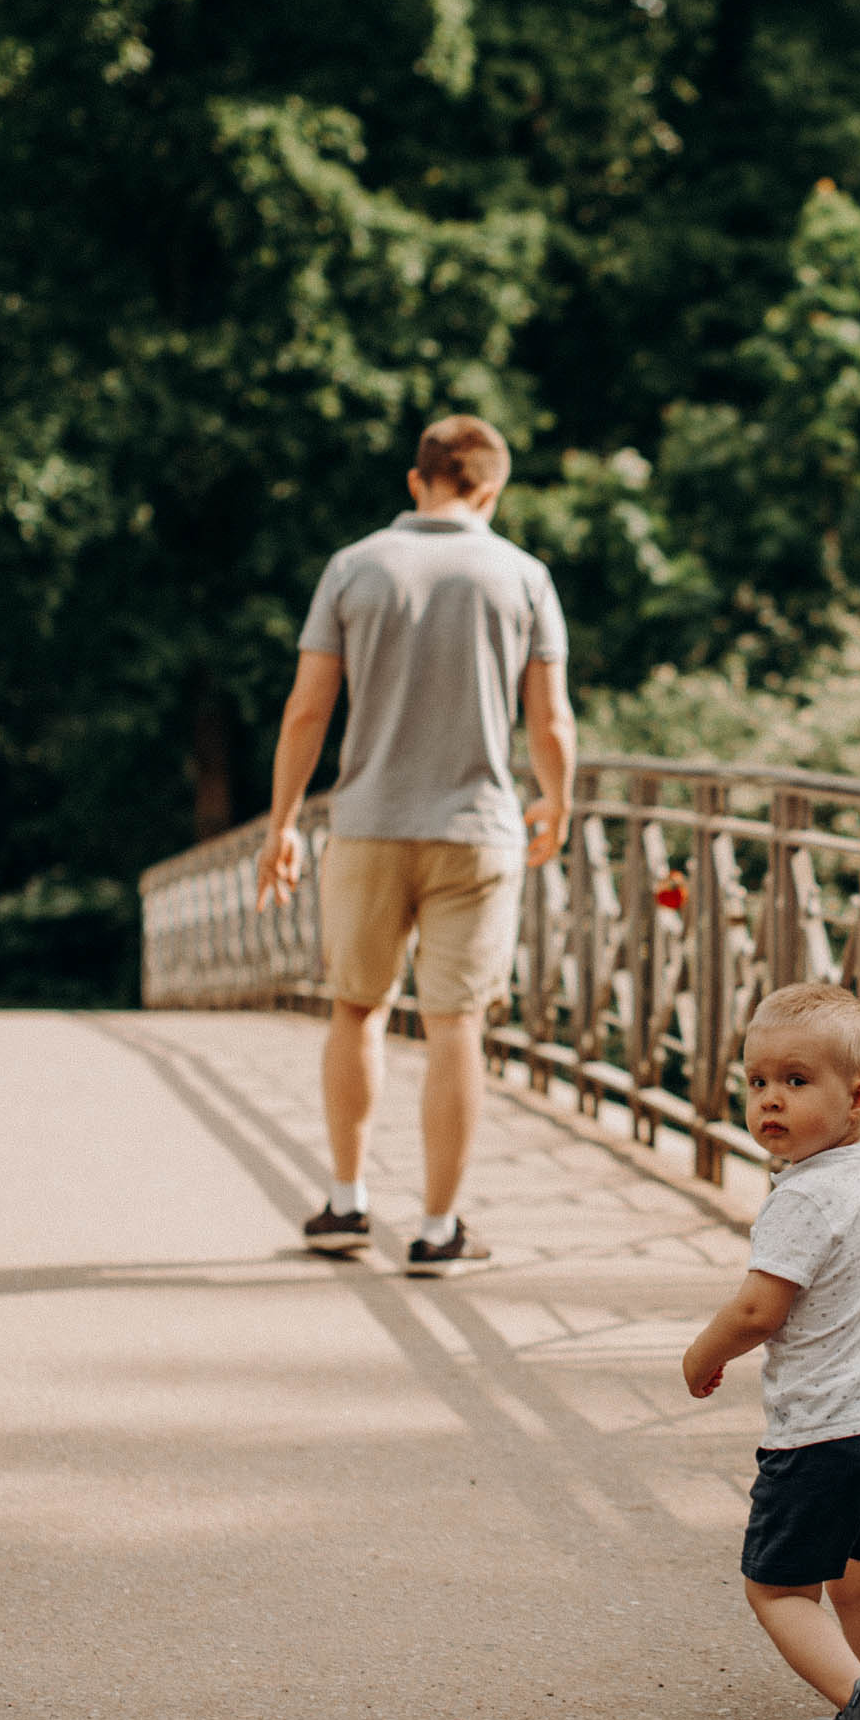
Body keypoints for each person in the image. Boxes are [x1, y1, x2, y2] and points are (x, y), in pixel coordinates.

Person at [255, 414, 575, 1277]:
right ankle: (437, 1227)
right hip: (476, 830)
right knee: (455, 1023)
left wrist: (283, 822)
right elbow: (548, 719)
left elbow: (307, 710)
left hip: (364, 825)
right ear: (492, 489)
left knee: (356, 1008)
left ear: (417, 480)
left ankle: (349, 1203)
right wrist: (559, 800)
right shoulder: (523, 575)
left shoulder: (354, 567)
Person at [682, 983, 860, 1720]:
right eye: (756, 1083)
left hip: (822, 1441)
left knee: (779, 1590)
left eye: (794, 1081)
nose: (768, 1101)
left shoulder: (802, 1197)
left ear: (853, 1098)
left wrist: (703, 1354)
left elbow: (759, 1309)